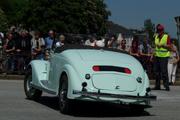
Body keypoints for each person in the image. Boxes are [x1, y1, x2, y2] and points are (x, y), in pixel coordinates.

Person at [152, 24, 171, 91]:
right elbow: (154, 46)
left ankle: (166, 86)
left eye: (160, 30)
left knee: (164, 71)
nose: (159, 31)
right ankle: (157, 86)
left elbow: (170, 46)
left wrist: (163, 45)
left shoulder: (167, 36)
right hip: (157, 56)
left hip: (164, 56)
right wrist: (153, 54)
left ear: (163, 30)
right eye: (158, 30)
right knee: (156, 72)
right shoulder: (156, 36)